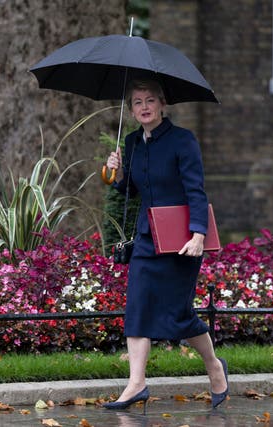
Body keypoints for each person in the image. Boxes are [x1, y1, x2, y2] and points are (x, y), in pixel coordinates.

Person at [102, 79, 229, 411]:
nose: (144, 107)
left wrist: (198, 235)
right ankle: (136, 384)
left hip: (182, 241)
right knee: (138, 307)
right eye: (137, 102)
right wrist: (114, 173)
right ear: (131, 110)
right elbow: (129, 190)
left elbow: (196, 191)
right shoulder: (131, 142)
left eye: (150, 101)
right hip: (147, 238)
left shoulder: (182, 141)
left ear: (162, 104)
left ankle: (215, 366)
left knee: (179, 315)